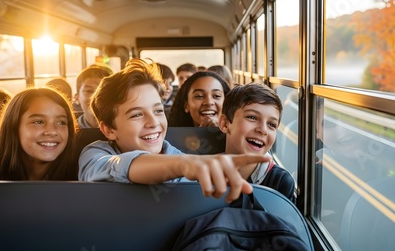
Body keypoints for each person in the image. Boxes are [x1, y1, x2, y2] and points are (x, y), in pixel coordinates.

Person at [78, 58, 270, 202]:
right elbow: (114, 165)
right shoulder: (95, 153)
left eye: (158, 111)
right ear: (109, 129)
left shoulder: (183, 163)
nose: (153, 122)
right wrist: (183, 164)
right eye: (137, 114)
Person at [218, 83, 296, 203]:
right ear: (225, 124)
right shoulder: (204, 171)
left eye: (272, 124)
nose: (263, 130)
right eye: (252, 117)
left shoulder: (280, 181)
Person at [0, 87, 78, 180]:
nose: (52, 131)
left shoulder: (84, 179)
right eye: (38, 122)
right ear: (13, 127)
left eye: (60, 122)